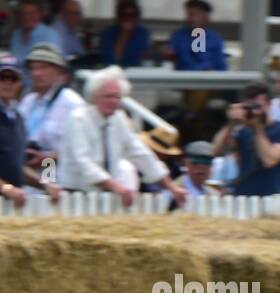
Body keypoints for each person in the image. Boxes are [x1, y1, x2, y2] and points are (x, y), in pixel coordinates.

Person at [58, 66, 186, 205]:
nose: (113, 101)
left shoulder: (119, 118)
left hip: (104, 195)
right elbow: (82, 161)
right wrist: (117, 187)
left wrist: (171, 187)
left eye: (117, 97)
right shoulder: (78, 119)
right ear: (94, 96)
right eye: (108, 96)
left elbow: (140, 153)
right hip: (75, 194)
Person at [212, 81, 280, 196]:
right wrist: (230, 124)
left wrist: (257, 128)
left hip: (272, 195)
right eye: (249, 107)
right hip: (244, 196)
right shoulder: (242, 131)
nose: (253, 111)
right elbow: (215, 151)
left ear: (269, 104)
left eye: (257, 106)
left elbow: (269, 160)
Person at [18, 43, 83, 169]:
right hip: (25, 166)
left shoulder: (72, 103)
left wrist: (47, 158)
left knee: (47, 185)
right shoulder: (28, 101)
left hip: (54, 167)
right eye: (33, 68)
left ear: (59, 71)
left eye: (43, 68)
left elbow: (83, 149)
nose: (36, 73)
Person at [0, 57, 29, 207]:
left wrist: (46, 184)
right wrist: (6, 188)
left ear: (20, 83)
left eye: (13, 78)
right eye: (2, 77)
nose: (7, 82)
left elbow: (18, 165)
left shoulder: (18, 118)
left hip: (11, 205)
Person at [167, 0, 227, 71]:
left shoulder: (215, 38)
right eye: (188, 15)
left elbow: (221, 66)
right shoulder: (178, 36)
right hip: (183, 79)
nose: (190, 19)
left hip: (208, 79)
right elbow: (169, 56)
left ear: (205, 16)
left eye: (194, 15)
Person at [99, 1, 151, 68]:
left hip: (135, 70)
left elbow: (140, 58)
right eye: (124, 15)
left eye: (133, 15)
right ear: (118, 17)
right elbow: (112, 59)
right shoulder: (107, 33)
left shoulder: (143, 33)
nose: (128, 18)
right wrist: (124, 34)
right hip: (111, 70)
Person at [9, 0, 60, 68]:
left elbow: (52, 65)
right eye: (24, 13)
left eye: (32, 13)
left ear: (40, 14)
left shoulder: (50, 35)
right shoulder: (16, 34)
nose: (27, 16)